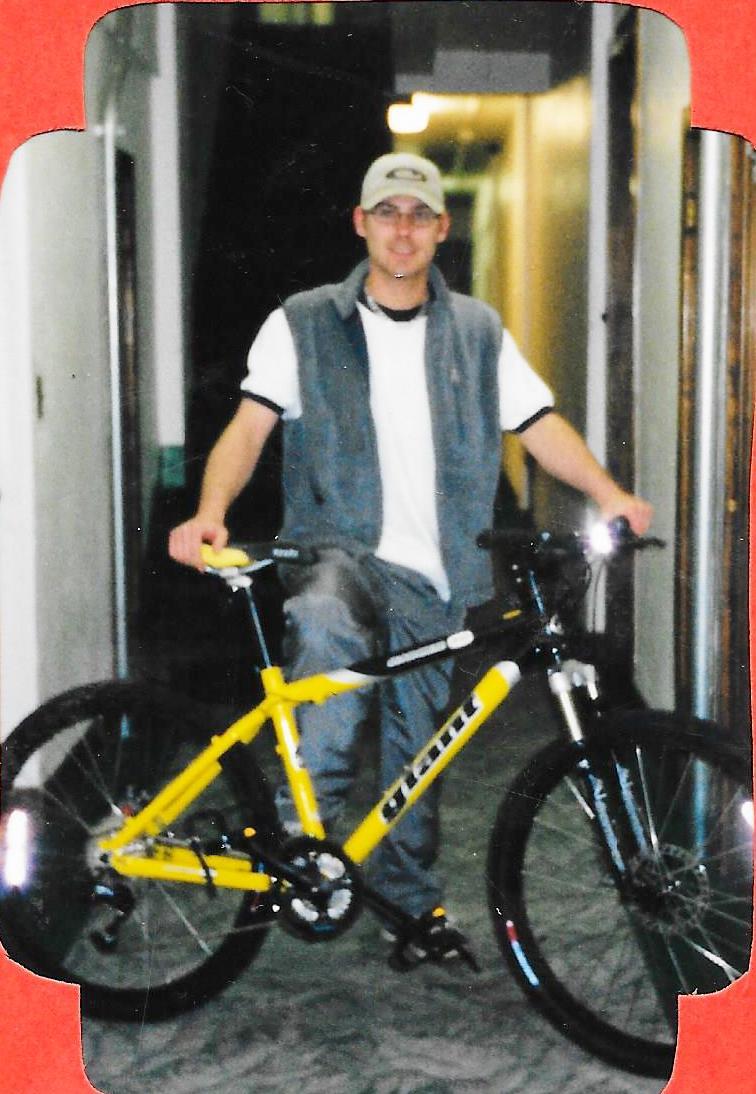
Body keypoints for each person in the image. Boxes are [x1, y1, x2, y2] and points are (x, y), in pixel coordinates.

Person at [169, 152, 653, 961]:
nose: (403, 228)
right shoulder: (305, 321)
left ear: (441, 228)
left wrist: (609, 493)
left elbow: (538, 424)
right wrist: (211, 511)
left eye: (418, 215)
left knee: (421, 757)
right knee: (324, 623)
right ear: (361, 224)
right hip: (341, 551)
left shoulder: (475, 332)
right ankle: (307, 836)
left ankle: (412, 906)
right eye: (386, 213)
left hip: (438, 577)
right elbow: (250, 426)